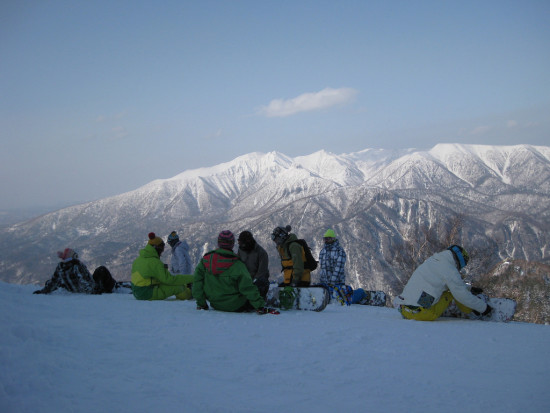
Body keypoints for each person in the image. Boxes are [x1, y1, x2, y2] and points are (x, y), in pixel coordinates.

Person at [393, 245, 492, 321]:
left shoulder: (432, 261)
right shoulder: (450, 270)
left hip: (405, 310)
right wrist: (483, 308)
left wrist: (469, 288)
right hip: (422, 314)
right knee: (452, 294)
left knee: (449, 290)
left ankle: (471, 306)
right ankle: (472, 311)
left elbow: (448, 283)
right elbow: (461, 295)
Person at [192, 230, 266, 313]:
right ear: (232, 244)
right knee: (262, 283)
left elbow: (197, 283)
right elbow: (247, 288)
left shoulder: (205, 261)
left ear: (218, 243)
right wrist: (259, 306)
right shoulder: (238, 264)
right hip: (237, 305)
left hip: (215, 304)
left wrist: (202, 304)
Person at [130, 232, 194, 301]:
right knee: (179, 287)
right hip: (146, 293)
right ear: (157, 248)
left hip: (137, 292)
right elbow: (170, 280)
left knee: (170, 284)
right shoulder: (154, 262)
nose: (162, 251)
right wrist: (193, 278)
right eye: (162, 248)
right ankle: (190, 295)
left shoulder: (138, 259)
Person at [237, 230, 270, 298]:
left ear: (248, 242)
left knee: (261, 282)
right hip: (244, 279)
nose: (241, 245)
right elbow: (238, 265)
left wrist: (252, 282)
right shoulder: (241, 250)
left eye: (242, 243)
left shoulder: (261, 253)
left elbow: (262, 272)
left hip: (257, 280)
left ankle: (259, 298)